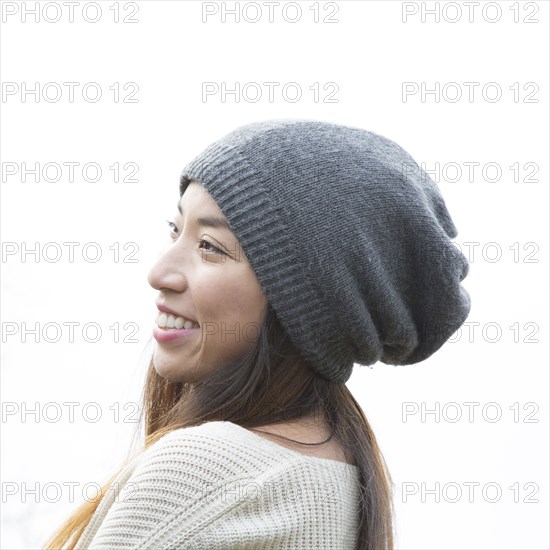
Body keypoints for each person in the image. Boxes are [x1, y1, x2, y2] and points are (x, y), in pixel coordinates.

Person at [44, 119, 471, 550]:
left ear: (307, 304)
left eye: (210, 246)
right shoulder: (339, 476)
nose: (159, 274)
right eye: (176, 231)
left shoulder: (202, 474)